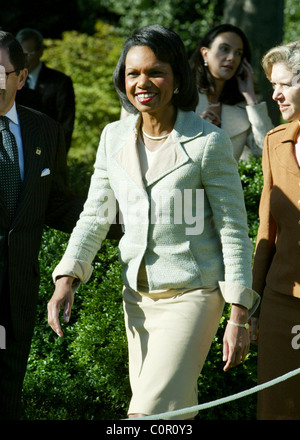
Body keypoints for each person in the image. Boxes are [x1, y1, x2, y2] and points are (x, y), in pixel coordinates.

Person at [47, 24, 259, 420]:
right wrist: (66, 278)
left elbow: (233, 229)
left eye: (155, 71)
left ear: (177, 77)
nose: (143, 82)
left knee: (147, 415)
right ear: (122, 79)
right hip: (137, 302)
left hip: (193, 297)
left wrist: (239, 312)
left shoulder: (207, 142)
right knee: (174, 416)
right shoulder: (113, 138)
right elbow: (95, 214)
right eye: (133, 73)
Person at [0, 31, 83, 420]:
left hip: (16, 292)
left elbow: (57, 205)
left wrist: (126, 219)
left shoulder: (45, 131)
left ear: (21, 76)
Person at [251, 40, 300, 420]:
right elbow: (266, 230)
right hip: (283, 305)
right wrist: (252, 303)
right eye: (272, 85)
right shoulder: (275, 142)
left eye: (284, 84)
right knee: (277, 410)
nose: (275, 94)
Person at [190, 24, 273, 162]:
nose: (231, 58)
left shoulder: (242, 110)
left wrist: (251, 97)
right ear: (205, 54)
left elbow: (267, 149)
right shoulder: (180, 96)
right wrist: (196, 126)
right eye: (224, 49)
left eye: (238, 53)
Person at [15, 28, 75, 152]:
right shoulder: (8, 79)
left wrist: (57, 157)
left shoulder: (60, 82)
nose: (22, 59)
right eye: (18, 54)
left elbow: (65, 126)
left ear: (40, 52)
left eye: (27, 54)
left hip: (46, 152)